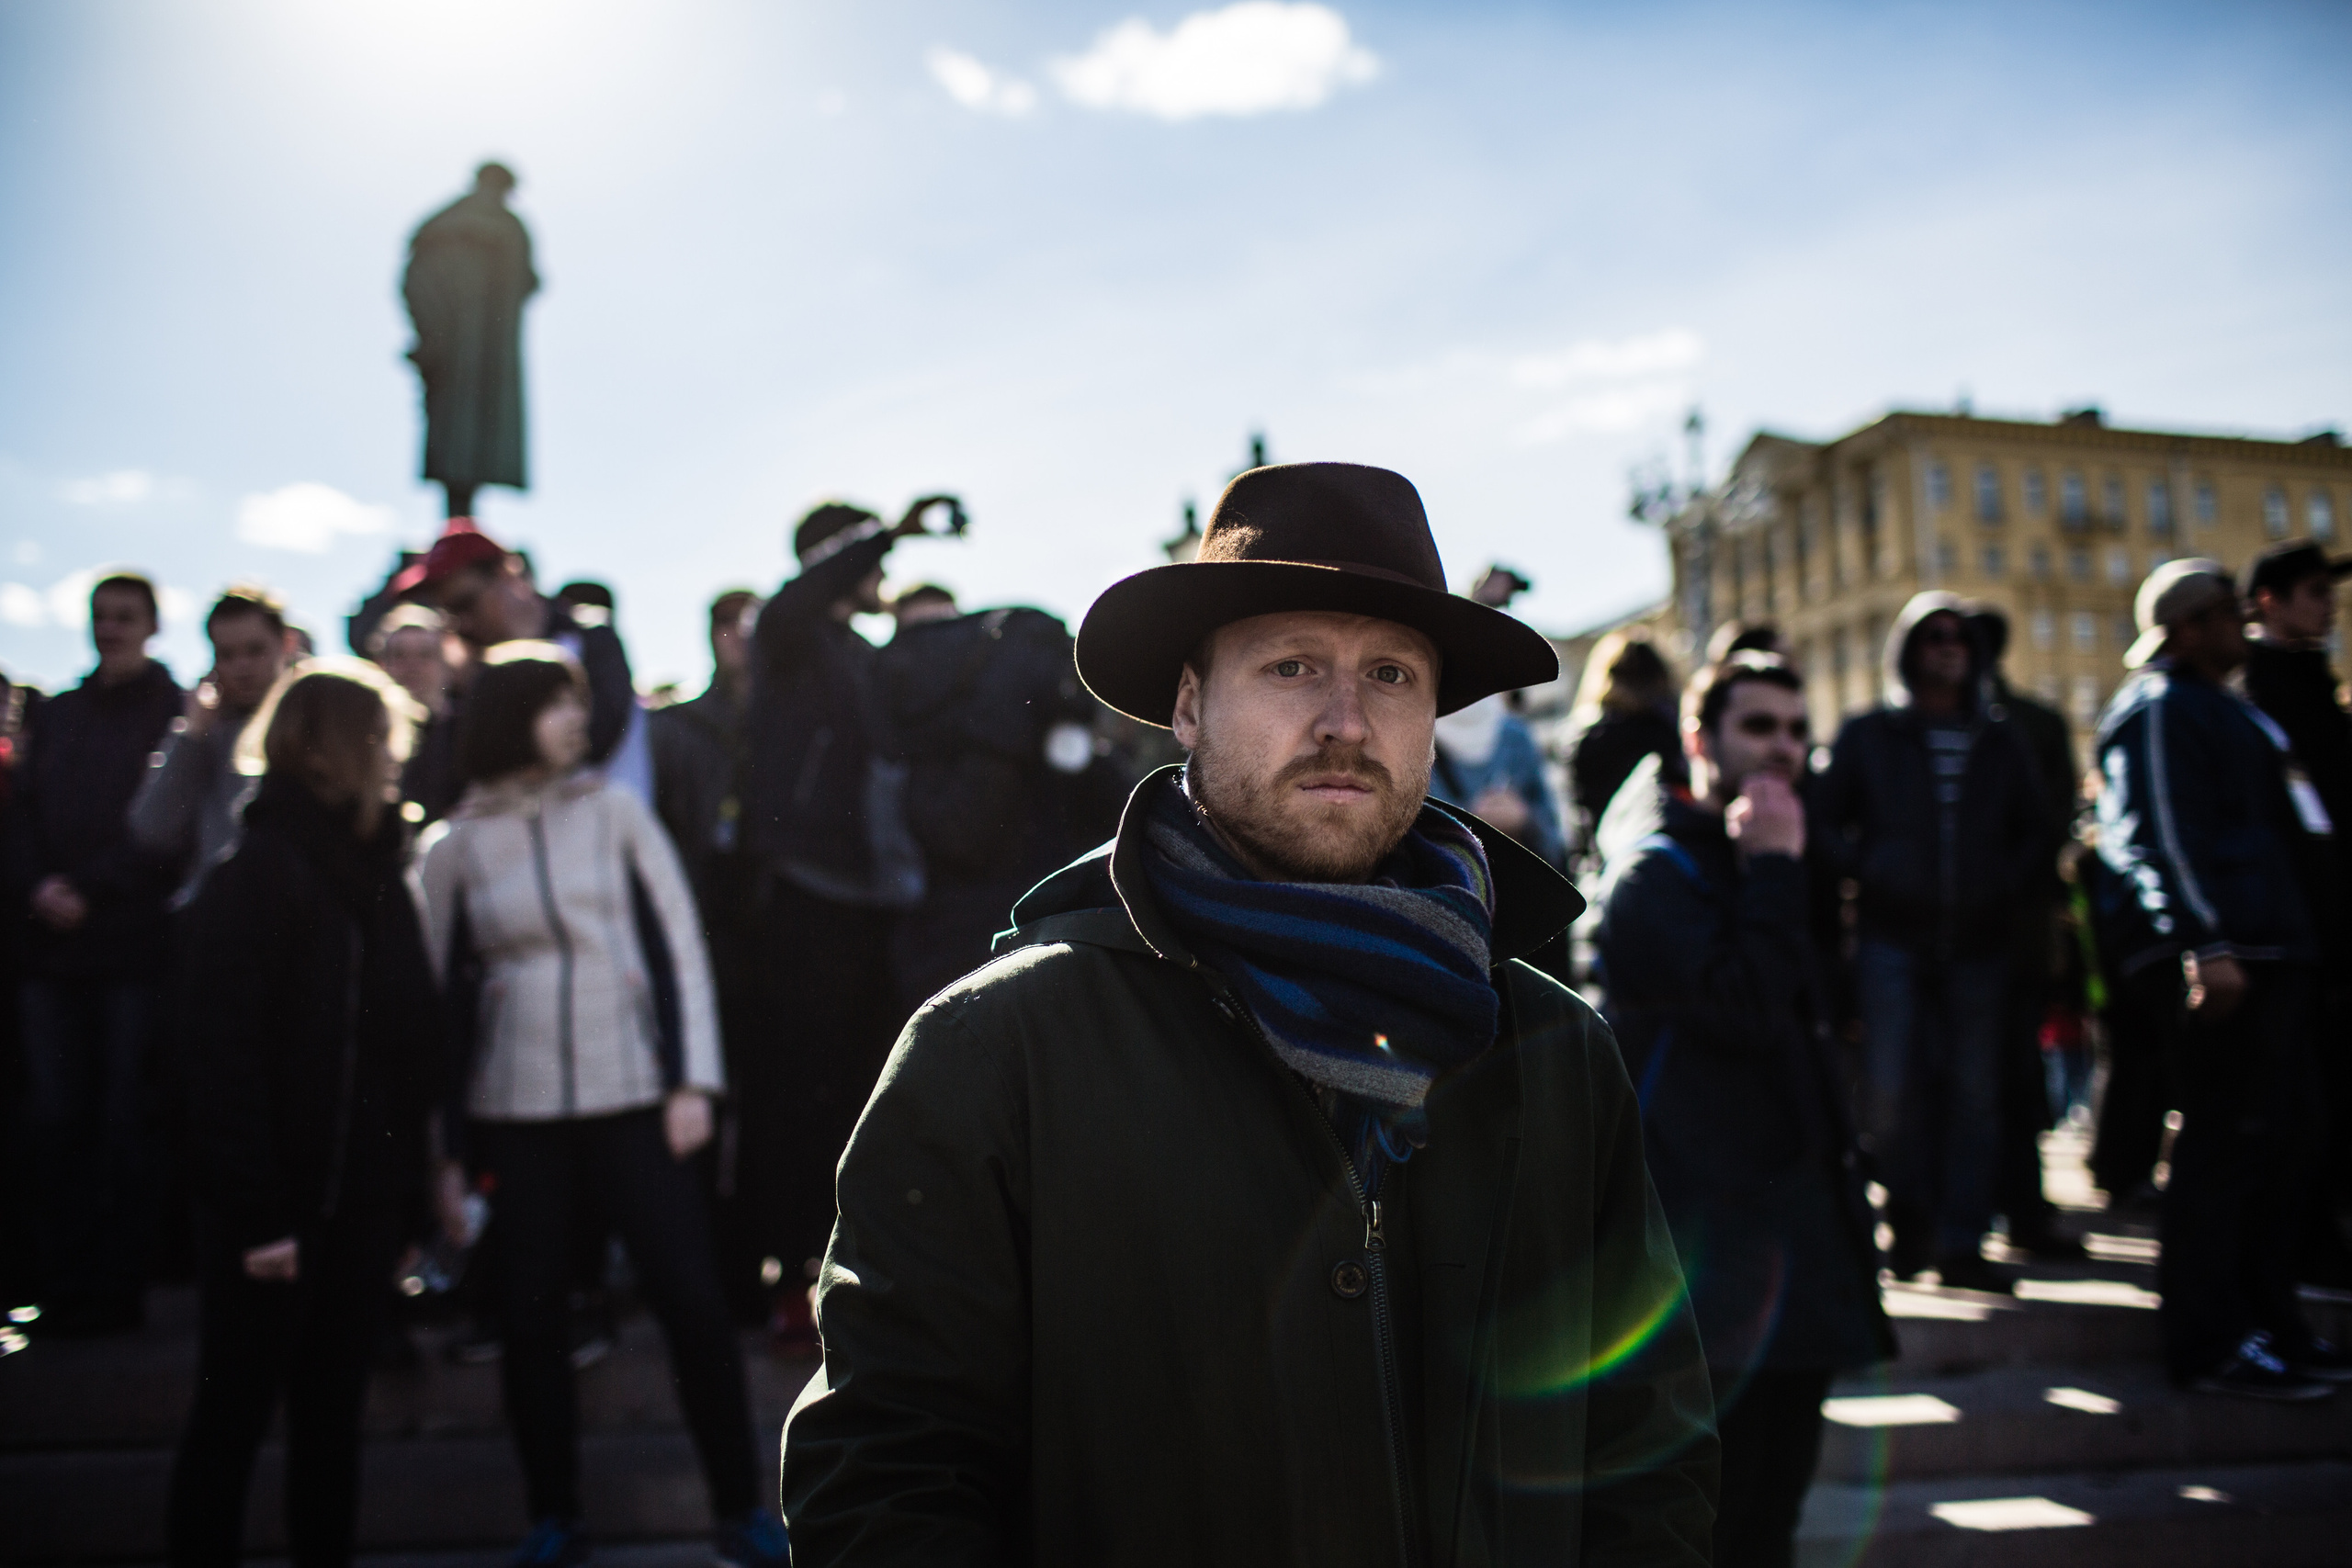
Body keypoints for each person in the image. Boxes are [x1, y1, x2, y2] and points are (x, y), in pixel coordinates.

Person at [780, 462, 1716, 1563]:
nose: (1344, 721)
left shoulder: (1555, 1050)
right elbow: (886, 1472)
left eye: (1391, 675)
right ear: (1187, 704)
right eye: (1291, 666)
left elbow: (1651, 1453)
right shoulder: (997, 1049)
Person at [415, 646, 786, 1566]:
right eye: (555, 704)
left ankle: (742, 1507)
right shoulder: (454, 845)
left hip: (636, 1097)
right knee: (533, 1318)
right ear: (511, 716)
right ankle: (554, 1515)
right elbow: (430, 1001)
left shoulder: (616, 813)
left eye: (577, 704)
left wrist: (692, 1081)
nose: (577, 720)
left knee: (693, 1302)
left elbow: (680, 947)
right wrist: (444, 1148)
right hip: (518, 1107)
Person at [1596, 651, 1892, 1568]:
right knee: (1710, 1520)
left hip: (1797, 1249)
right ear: (1699, 739)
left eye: (1798, 731)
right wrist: (1773, 872)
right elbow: (1744, 1010)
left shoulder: (1777, 858)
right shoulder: (1653, 875)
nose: (1784, 751)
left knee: (1774, 1517)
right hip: (1708, 1262)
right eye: (1759, 727)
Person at [165, 661, 446, 1566]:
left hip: (358, 1210)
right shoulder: (256, 872)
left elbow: (402, 1057)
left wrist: (400, 1206)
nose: (395, 759)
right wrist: (256, 1214)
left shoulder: (378, 875)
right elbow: (219, 1060)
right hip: (270, 1215)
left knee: (332, 1426)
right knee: (232, 1422)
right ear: (327, 750)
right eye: (379, 740)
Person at [2093, 559, 2351, 1399]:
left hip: (2284, 957)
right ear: (2187, 625)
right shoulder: (2159, 709)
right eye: (2226, 613)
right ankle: (2209, 1342)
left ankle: (2272, 1324)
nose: (2243, 625)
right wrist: (2204, 942)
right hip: (2230, 963)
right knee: (2225, 1146)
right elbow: (2158, 834)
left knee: (2290, 1145)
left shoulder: (2233, 711)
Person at [736, 495, 955, 1346]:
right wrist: (894, 525)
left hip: (878, 904)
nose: (883, 577)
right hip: (804, 899)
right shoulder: (786, 634)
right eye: (871, 561)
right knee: (797, 1095)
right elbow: (800, 592)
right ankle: (790, 1280)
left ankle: (863, 1274)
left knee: (868, 1095)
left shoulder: (867, 656)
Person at [1810, 592, 2051, 1292]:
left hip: (1981, 941)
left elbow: (2038, 830)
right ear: (1909, 649)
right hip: (1891, 938)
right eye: (1935, 635)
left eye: (1963, 637)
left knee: (1975, 1094)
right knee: (1888, 1092)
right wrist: (1870, 870)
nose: (1950, 645)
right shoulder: (1868, 735)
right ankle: (1907, 1217)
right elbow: (1825, 825)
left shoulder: (2001, 738)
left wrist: (2002, 884)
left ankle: (1961, 1241)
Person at [6, 573, 183, 1335]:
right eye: (101, 616)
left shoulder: (171, 712)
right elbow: (22, 814)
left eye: (125, 617)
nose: (110, 629)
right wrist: (40, 884)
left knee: (121, 1120)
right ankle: (62, 1280)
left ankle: (117, 1286)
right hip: (50, 953)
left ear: (150, 625)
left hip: (129, 949)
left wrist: (93, 887)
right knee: (54, 1119)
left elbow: (162, 829)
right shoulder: (60, 714)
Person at [876, 592, 1123, 1012]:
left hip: (1020, 938)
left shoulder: (1004, 717)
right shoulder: (933, 738)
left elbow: (1109, 809)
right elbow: (960, 836)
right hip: (968, 945)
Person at [2238, 539, 2352, 1300]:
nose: (2329, 604)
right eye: (2314, 590)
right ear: (2270, 599)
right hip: (2282, 926)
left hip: (2332, 922)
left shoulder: (2317, 683)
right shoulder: (2250, 691)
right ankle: (2303, 1249)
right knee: (2296, 1099)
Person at [649, 588, 763, 1314]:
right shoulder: (677, 728)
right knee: (702, 1101)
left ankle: (750, 1270)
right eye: (734, 627)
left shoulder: (788, 719)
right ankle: (709, 1271)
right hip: (700, 929)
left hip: (774, 933)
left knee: (763, 1107)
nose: (744, 641)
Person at [1963, 605, 2087, 1263]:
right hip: (1983, 932)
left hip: (2006, 931)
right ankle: (2003, 1210)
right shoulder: (2029, 722)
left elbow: (2047, 823)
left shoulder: (2025, 726)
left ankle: (2009, 1208)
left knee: (2007, 1075)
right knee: (2000, 1077)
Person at [402, 519, 650, 809]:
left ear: (505, 575)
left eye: (465, 604)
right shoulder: (473, 674)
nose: (462, 624)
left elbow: (596, 737)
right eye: (446, 614)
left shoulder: (591, 640)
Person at [130, 587, 296, 908]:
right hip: (217, 916)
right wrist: (193, 734)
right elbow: (152, 830)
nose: (242, 666)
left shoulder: (315, 723)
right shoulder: (206, 730)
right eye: (227, 655)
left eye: (255, 650)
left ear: (286, 644)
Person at [403, 162, 537, 520]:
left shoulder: (509, 227)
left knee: (480, 438)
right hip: (457, 350)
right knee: (456, 439)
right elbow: (417, 273)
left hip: (488, 355)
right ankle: (457, 527)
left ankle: (463, 526)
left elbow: (528, 279)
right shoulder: (447, 225)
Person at [1566, 628, 1682, 845]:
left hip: (1604, 860)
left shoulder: (1584, 737)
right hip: (1666, 851)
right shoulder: (1671, 731)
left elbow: (1581, 820)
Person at [1430, 691, 1566, 868]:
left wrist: (1523, 820)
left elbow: (1554, 841)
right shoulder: (1417, 737)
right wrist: (1473, 823)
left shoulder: (1516, 737)